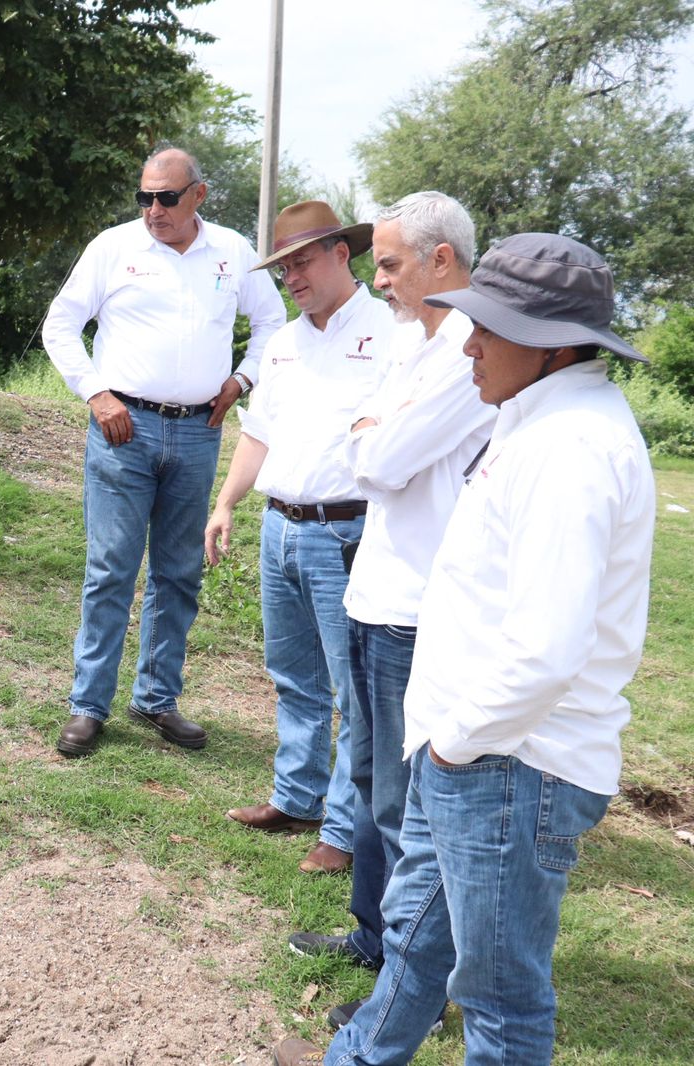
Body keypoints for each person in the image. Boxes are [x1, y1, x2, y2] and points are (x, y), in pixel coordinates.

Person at [274, 233, 655, 1066]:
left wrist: (452, 747)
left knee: (500, 1000)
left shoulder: (572, 449)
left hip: (509, 762)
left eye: (490, 326)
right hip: (481, 754)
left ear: (555, 346)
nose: (470, 343)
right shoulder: (541, 418)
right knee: (414, 941)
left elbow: (548, 648)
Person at [285, 194, 494, 1018]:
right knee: (372, 782)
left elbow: (382, 456)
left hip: (422, 603)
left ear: (442, 260)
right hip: (376, 587)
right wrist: (373, 434)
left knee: (412, 807)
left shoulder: (471, 350)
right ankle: (375, 938)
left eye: (390, 264)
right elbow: (362, 443)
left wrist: (374, 432)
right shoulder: (414, 340)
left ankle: (415, 985)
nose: (379, 280)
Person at [43, 146, 285, 759]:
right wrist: (96, 392)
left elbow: (273, 325)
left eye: (166, 198)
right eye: (145, 197)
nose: (154, 209)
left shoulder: (231, 252)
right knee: (111, 570)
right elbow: (60, 324)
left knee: (178, 573)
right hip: (124, 428)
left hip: (199, 430)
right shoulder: (113, 248)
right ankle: (88, 705)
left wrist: (242, 381)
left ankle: (156, 698)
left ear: (198, 195)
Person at [205, 201, 396, 875]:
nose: (292, 277)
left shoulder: (392, 332)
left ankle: (344, 832)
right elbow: (259, 432)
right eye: (283, 267)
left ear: (343, 254)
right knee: (293, 676)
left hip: (347, 533)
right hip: (280, 528)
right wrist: (226, 504)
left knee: (356, 690)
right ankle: (295, 798)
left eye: (303, 261)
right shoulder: (283, 342)